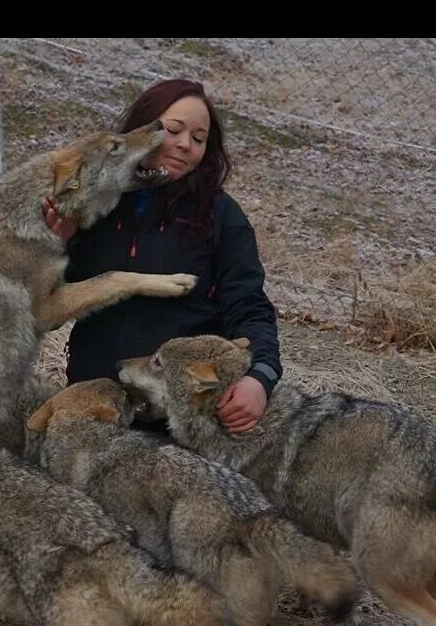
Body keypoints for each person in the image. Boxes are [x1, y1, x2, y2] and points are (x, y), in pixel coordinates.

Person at [42, 79, 281, 434]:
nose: (185, 144)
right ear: (142, 129)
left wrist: (260, 377)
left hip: (172, 419)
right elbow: (47, 309)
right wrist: (58, 243)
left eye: (199, 138)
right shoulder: (95, 200)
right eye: (173, 130)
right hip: (93, 400)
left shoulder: (220, 216)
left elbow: (249, 307)